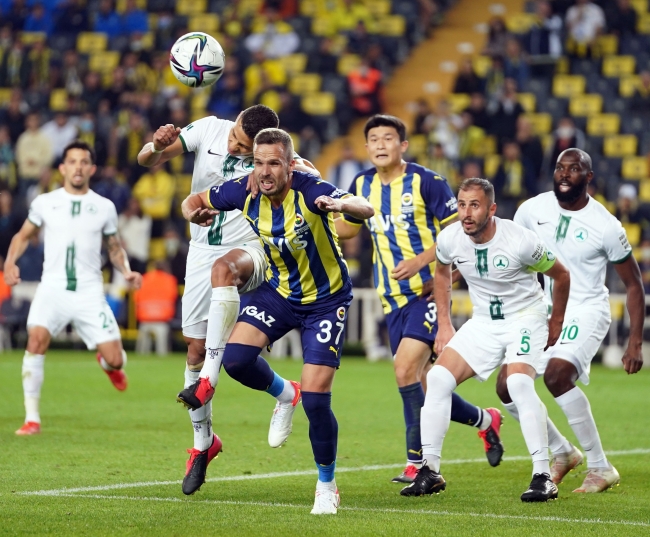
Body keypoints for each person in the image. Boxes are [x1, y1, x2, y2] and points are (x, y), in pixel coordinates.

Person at [179, 128, 375, 514]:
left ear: (290, 165)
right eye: (259, 163)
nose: (265, 171)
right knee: (236, 360)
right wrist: (192, 213)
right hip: (280, 293)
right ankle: (286, 393)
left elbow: (363, 207)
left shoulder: (311, 189)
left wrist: (341, 205)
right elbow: (195, 199)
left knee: (318, 401)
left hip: (325, 301)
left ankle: (326, 485)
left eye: (274, 163)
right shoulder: (244, 190)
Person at [136, 105, 319, 495]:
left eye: (244, 146)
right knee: (194, 349)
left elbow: (311, 174)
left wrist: (295, 172)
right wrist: (157, 145)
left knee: (226, 270)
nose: (235, 146)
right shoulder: (208, 129)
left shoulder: (269, 158)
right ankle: (206, 442)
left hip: (252, 249)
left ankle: (209, 379)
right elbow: (147, 160)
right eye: (235, 137)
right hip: (201, 250)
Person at [334, 115, 504, 484]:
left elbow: (459, 233)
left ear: (403, 145)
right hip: (391, 298)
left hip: (427, 291)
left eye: (388, 138)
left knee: (403, 370)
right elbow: (347, 229)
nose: (380, 145)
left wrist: (420, 263)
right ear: (366, 147)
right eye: (374, 139)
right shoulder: (360, 184)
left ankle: (417, 463)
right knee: (428, 385)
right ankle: (486, 420)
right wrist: (325, 212)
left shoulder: (427, 182)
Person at [401, 177, 570, 502]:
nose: (466, 213)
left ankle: (543, 476)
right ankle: (430, 471)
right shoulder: (450, 238)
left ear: (491, 209)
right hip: (484, 322)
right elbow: (441, 273)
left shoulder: (520, 240)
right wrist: (444, 325)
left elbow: (561, 274)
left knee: (518, 384)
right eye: (462, 205)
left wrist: (556, 320)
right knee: (437, 379)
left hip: (525, 317)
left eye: (474, 206)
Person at [495, 149, 644, 493]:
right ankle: (562, 451)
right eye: (560, 168)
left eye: (574, 169)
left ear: (588, 177)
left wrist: (634, 342)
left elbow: (634, 284)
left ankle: (600, 466)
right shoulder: (532, 209)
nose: (564, 174)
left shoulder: (606, 225)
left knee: (557, 375)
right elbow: (510, 252)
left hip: (586, 309)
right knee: (506, 385)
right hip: (545, 309)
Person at [4, 141, 142, 436]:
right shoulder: (45, 202)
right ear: (62, 168)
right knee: (36, 340)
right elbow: (23, 236)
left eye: (83, 162)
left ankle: (107, 364)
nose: (78, 167)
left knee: (116, 359)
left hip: (89, 291)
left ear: (92, 169)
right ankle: (32, 419)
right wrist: (10, 262)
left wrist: (126, 270)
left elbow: (114, 247)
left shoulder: (104, 207)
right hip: (52, 288)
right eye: (72, 161)